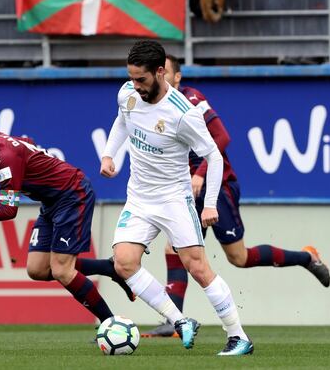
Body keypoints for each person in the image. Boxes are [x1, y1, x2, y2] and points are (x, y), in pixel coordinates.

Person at [142, 54, 330, 337]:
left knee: (239, 257)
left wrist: (201, 173)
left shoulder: (193, 100)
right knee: (174, 248)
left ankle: (306, 257)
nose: (160, 77)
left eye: (164, 71)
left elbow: (222, 138)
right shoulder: (157, 106)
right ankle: (175, 321)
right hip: (186, 188)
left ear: (177, 77)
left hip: (218, 185)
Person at [100, 40, 253, 356]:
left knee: (197, 267)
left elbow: (214, 155)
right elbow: (122, 121)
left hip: (174, 199)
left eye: (141, 79)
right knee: (124, 263)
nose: (135, 85)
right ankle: (180, 320)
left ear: (160, 72)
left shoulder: (184, 113)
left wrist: (209, 203)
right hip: (139, 199)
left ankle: (239, 337)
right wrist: (108, 154)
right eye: (131, 78)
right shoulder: (128, 93)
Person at [0, 108, 135, 327]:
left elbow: (8, 210)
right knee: (37, 269)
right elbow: (27, 141)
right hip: (51, 202)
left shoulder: (3, 158)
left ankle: (111, 324)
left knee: (61, 270)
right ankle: (110, 268)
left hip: (72, 194)